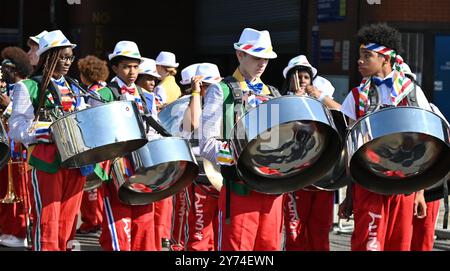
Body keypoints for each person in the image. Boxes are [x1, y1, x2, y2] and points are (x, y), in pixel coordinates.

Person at [338, 23, 430, 251]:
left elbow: (426, 142)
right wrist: (350, 193)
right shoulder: (356, 96)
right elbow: (350, 150)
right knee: (369, 246)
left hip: (404, 184)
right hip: (369, 185)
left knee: (399, 245)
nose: (359, 61)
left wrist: (420, 192)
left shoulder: (412, 91)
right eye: (359, 55)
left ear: (385, 59)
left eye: (367, 55)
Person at [200, 28, 283, 251]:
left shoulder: (274, 93)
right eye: (257, 58)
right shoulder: (221, 90)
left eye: (266, 59)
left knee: (270, 249)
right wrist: (235, 158)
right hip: (239, 188)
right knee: (237, 249)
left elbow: (278, 141)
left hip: (272, 188)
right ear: (240, 55)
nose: (262, 63)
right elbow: (206, 143)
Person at [8, 30, 90, 251]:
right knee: (47, 217)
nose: (67, 62)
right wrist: (43, 133)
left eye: (70, 57)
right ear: (48, 56)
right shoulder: (29, 86)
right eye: (62, 56)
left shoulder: (75, 86)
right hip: (46, 159)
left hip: (75, 160)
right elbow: (15, 128)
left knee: (69, 218)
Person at [94, 41, 157, 251]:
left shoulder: (147, 96)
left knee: (145, 219)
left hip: (143, 164)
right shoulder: (103, 94)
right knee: (118, 219)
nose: (132, 72)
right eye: (127, 67)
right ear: (115, 68)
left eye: (135, 66)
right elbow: (99, 132)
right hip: (116, 164)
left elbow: (154, 130)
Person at [281, 55, 336, 251]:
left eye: (306, 77)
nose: (303, 81)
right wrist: (296, 98)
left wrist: (320, 97)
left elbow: (344, 116)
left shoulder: (321, 102)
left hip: (322, 178)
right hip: (296, 178)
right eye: (299, 76)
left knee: (320, 233)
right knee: (295, 234)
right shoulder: (281, 101)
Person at [184, 63, 222, 251]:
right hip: (201, 180)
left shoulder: (225, 102)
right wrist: (195, 94)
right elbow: (193, 124)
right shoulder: (189, 104)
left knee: (218, 237)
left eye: (211, 86)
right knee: (199, 236)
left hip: (222, 178)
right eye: (204, 86)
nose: (208, 90)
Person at [0, 47, 34, 248]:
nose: (5, 71)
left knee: (22, 190)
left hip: (21, 148)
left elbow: (25, 116)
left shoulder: (24, 87)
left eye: (8, 67)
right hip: (6, 147)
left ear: (18, 69)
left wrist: (7, 106)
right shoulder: (8, 87)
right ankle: (8, 228)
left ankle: (20, 230)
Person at [75, 55, 110, 234]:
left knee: (92, 186)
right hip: (107, 146)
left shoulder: (94, 93)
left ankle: (92, 221)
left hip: (96, 145)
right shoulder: (107, 89)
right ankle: (97, 219)